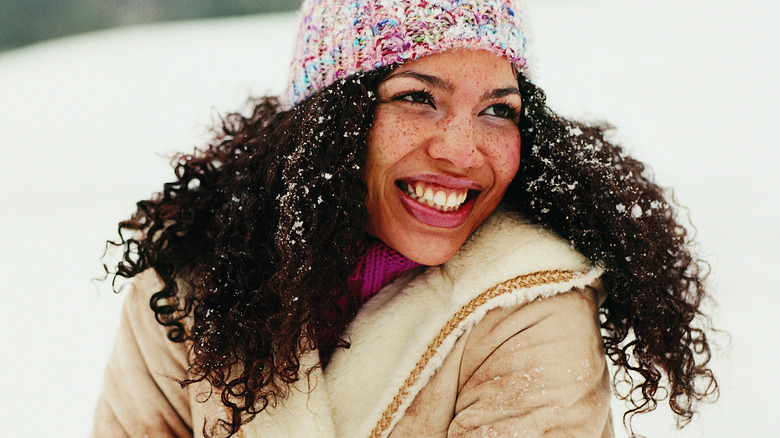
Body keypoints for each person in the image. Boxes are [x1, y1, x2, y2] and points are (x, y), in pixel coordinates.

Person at [91, 0, 718, 437]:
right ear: (328, 123)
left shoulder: (530, 306)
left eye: (499, 110)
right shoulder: (188, 290)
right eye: (418, 97)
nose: (462, 150)